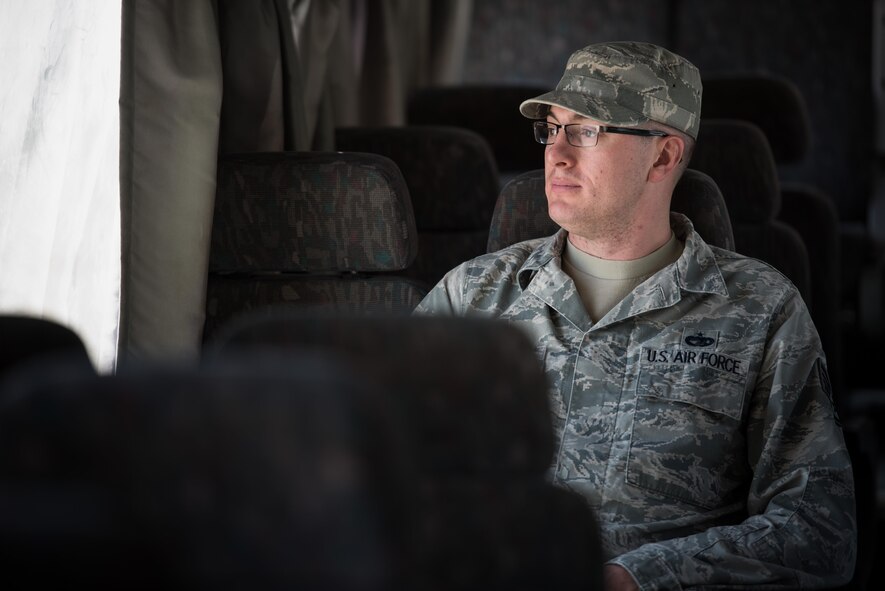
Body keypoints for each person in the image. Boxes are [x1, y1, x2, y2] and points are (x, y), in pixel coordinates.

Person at [413, 41, 856, 590]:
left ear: (664, 156)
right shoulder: (470, 296)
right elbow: (375, 470)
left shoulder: (762, 309)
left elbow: (820, 529)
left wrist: (636, 578)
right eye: (553, 128)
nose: (557, 153)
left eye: (588, 130)